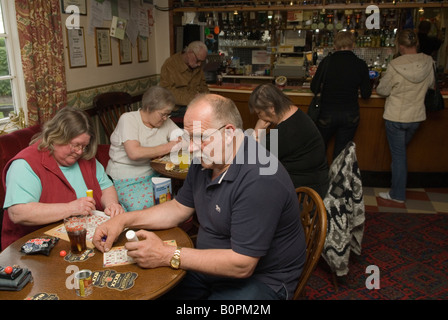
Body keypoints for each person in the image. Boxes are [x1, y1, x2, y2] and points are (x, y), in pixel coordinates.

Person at [93, 94, 306, 300]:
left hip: (262, 279)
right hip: (208, 264)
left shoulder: (260, 178)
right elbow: (178, 208)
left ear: (230, 132)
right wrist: (122, 220)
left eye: (200, 138)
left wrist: (166, 254)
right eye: (188, 138)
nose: (191, 148)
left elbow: (242, 264)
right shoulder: (207, 158)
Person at [1, 107, 124, 250]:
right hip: (32, 247)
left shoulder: (85, 158)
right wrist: (71, 208)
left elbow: (106, 187)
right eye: (75, 145)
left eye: (84, 146)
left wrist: (111, 204)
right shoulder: (25, 164)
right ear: (56, 137)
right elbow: (18, 212)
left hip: (76, 241)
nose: (79, 152)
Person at [376, 29, 434, 203]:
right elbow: (431, 85)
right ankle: (397, 190)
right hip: (416, 117)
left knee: (399, 156)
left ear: (400, 46)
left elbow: (382, 89)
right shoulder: (428, 62)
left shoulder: (396, 65)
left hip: (396, 116)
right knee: (399, 155)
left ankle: (397, 194)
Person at [106, 86, 182, 211]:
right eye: (162, 114)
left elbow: (182, 138)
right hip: (126, 180)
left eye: (168, 115)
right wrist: (167, 147)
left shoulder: (165, 121)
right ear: (148, 108)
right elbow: (134, 152)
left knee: (176, 204)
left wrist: (174, 145)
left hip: (156, 175)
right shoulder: (129, 119)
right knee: (147, 208)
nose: (165, 118)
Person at [248, 83, 329, 199]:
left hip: (306, 194)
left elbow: (251, 158)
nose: (259, 118)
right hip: (314, 181)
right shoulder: (294, 113)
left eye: (259, 113)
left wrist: (257, 131)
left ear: (271, 108)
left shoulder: (286, 132)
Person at [311, 31, 372, 160]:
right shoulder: (360, 64)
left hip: (327, 114)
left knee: (320, 149)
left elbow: (314, 87)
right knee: (341, 154)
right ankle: (337, 179)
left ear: (335, 45)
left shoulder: (327, 62)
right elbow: (366, 94)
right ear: (353, 45)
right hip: (350, 114)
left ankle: (320, 178)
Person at [159, 41, 210, 121]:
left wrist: (207, 98)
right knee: (200, 117)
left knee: (216, 113)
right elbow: (167, 93)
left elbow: (203, 86)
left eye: (202, 62)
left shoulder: (197, 67)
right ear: (190, 53)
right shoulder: (170, 64)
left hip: (193, 106)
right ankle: (196, 133)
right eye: (198, 60)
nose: (199, 64)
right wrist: (194, 99)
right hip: (175, 110)